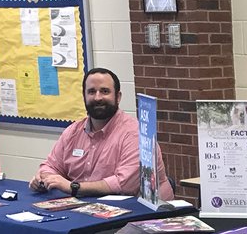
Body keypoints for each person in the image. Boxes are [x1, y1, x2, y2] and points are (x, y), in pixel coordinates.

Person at [30, 68, 172, 199]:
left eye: (105, 91)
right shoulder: (73, 131)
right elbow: (50, 166)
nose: (98, 98)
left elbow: (123, 184)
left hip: (140, 215)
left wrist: (72, 187)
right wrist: (45, 179)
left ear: (118, 97)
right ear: (84, 96)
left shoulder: (135, 134)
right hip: (90, 209)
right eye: (91, 92)